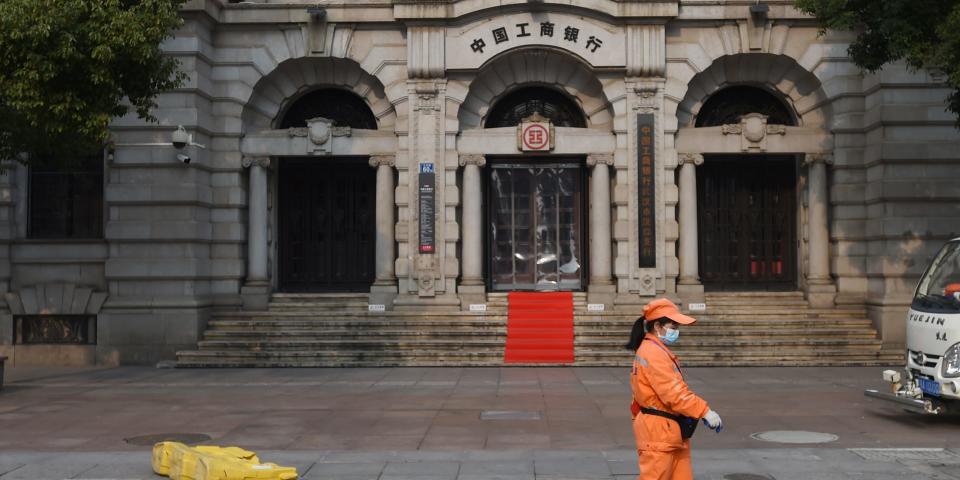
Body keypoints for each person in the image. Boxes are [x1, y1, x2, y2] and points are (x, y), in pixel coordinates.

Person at [625, 298, 722, 480]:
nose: (676, 331)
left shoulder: (653, 349)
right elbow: (674, 393)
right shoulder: (653, 352)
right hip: (659, 430)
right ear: (658, 326)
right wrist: (705, 411)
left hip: (665, 428)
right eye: (673, 326)